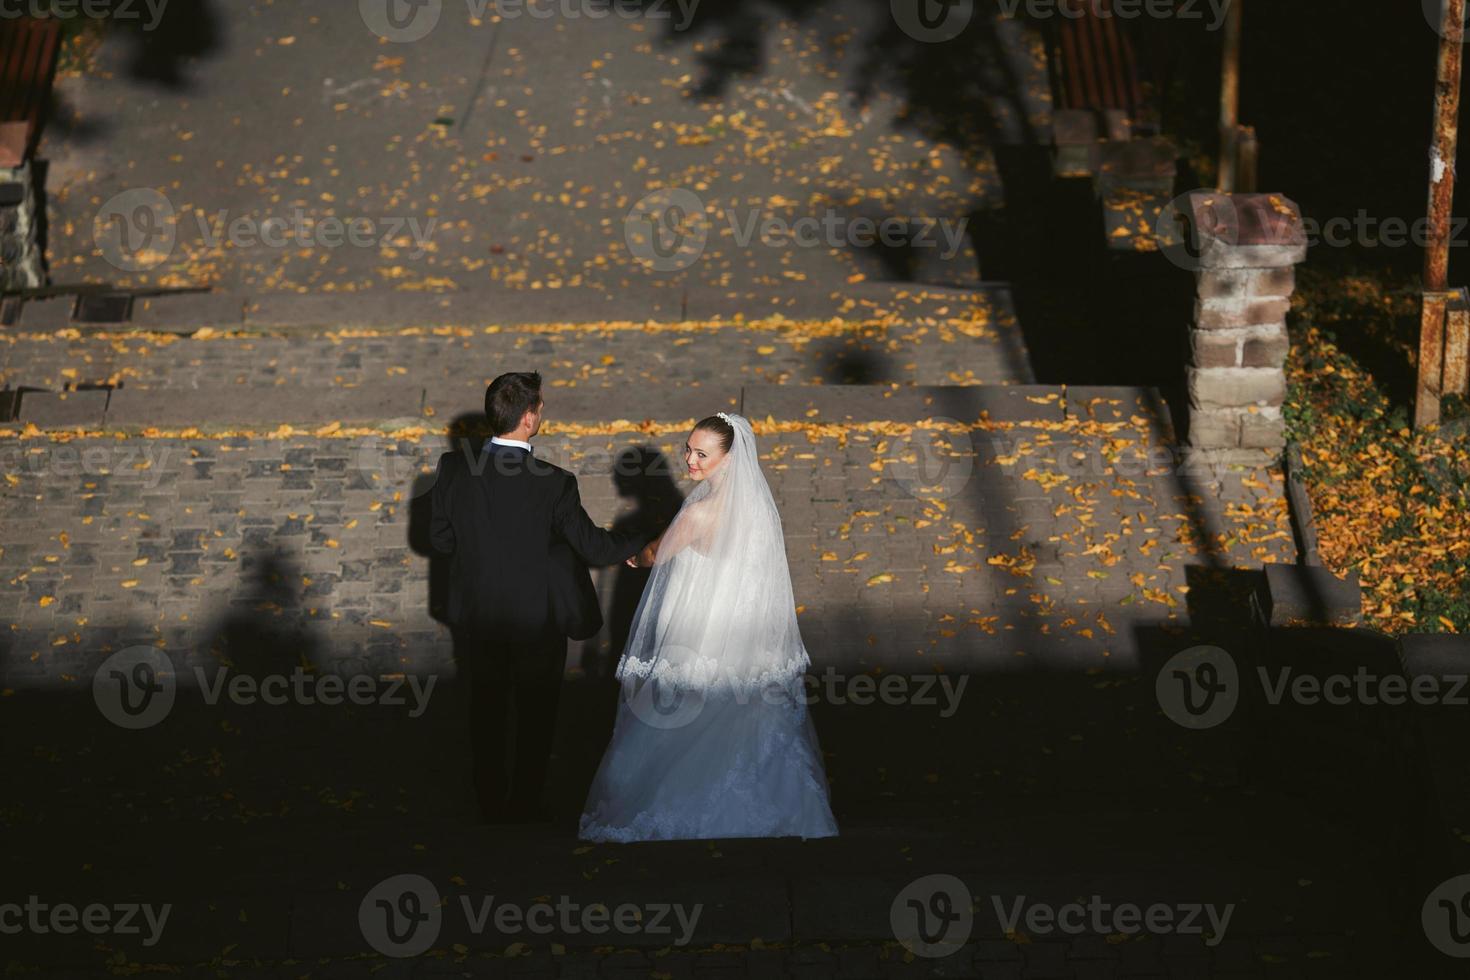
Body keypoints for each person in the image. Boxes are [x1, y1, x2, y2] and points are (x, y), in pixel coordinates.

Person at [578, 412, 839, 842]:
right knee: (749, 718)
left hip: (701, 627)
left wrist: (637, 556)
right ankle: (780, 809)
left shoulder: (700, 513)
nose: (691, 460)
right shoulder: (758, 509)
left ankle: (683, 808)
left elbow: (657, 554)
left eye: (702, 454)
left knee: (684, 715)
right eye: (688, 449)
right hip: (746, 629)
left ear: (729, 458)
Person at [429, 371, 652, 823]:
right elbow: (592, 547)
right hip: (538, 618)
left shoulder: (453, 469)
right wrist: (646, 543)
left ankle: (488, 801)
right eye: (541, 407)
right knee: (537, 715)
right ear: (528, 419)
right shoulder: (554, 482)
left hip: (480, 613)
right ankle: (525, 805)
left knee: (486, 707)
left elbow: (440, 538)